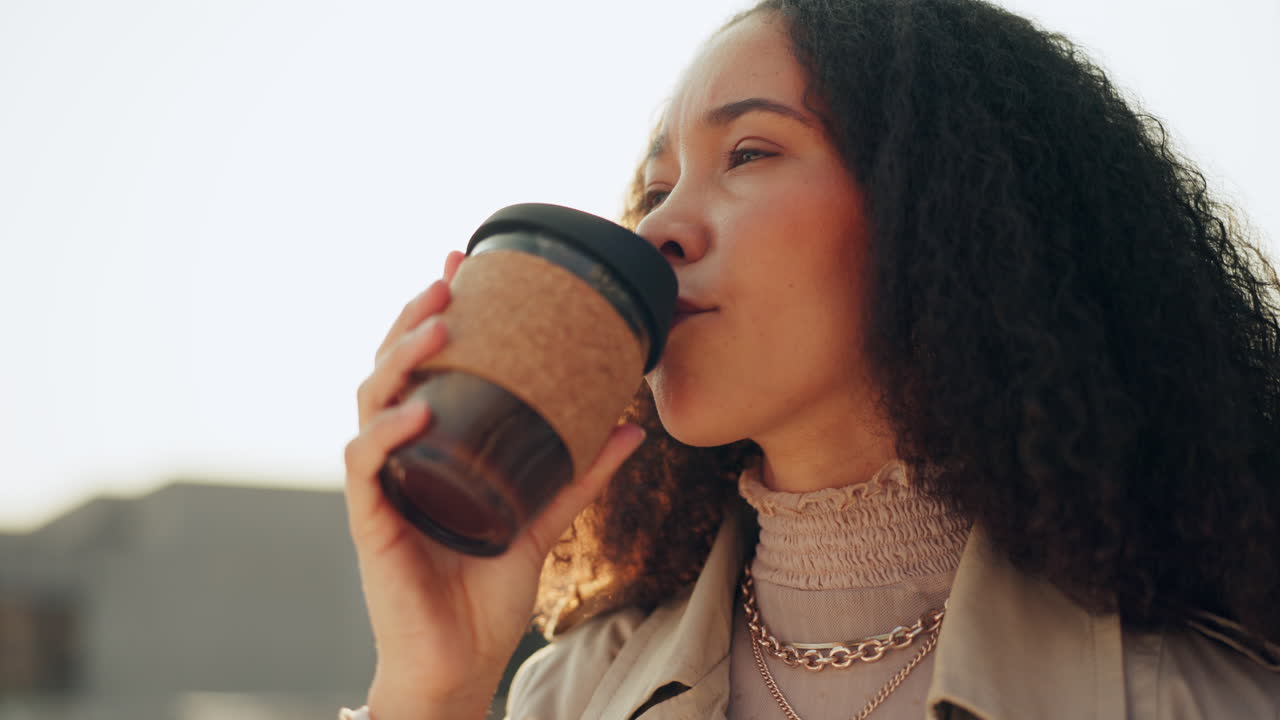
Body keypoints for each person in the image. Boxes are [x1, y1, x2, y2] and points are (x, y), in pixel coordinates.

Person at [340, 0, 1280, 718]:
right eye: (657, 189)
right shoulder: (568, 695)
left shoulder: (1206, 697)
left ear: (944, 211)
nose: (657, 229)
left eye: (748, 153)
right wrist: (433, 687)